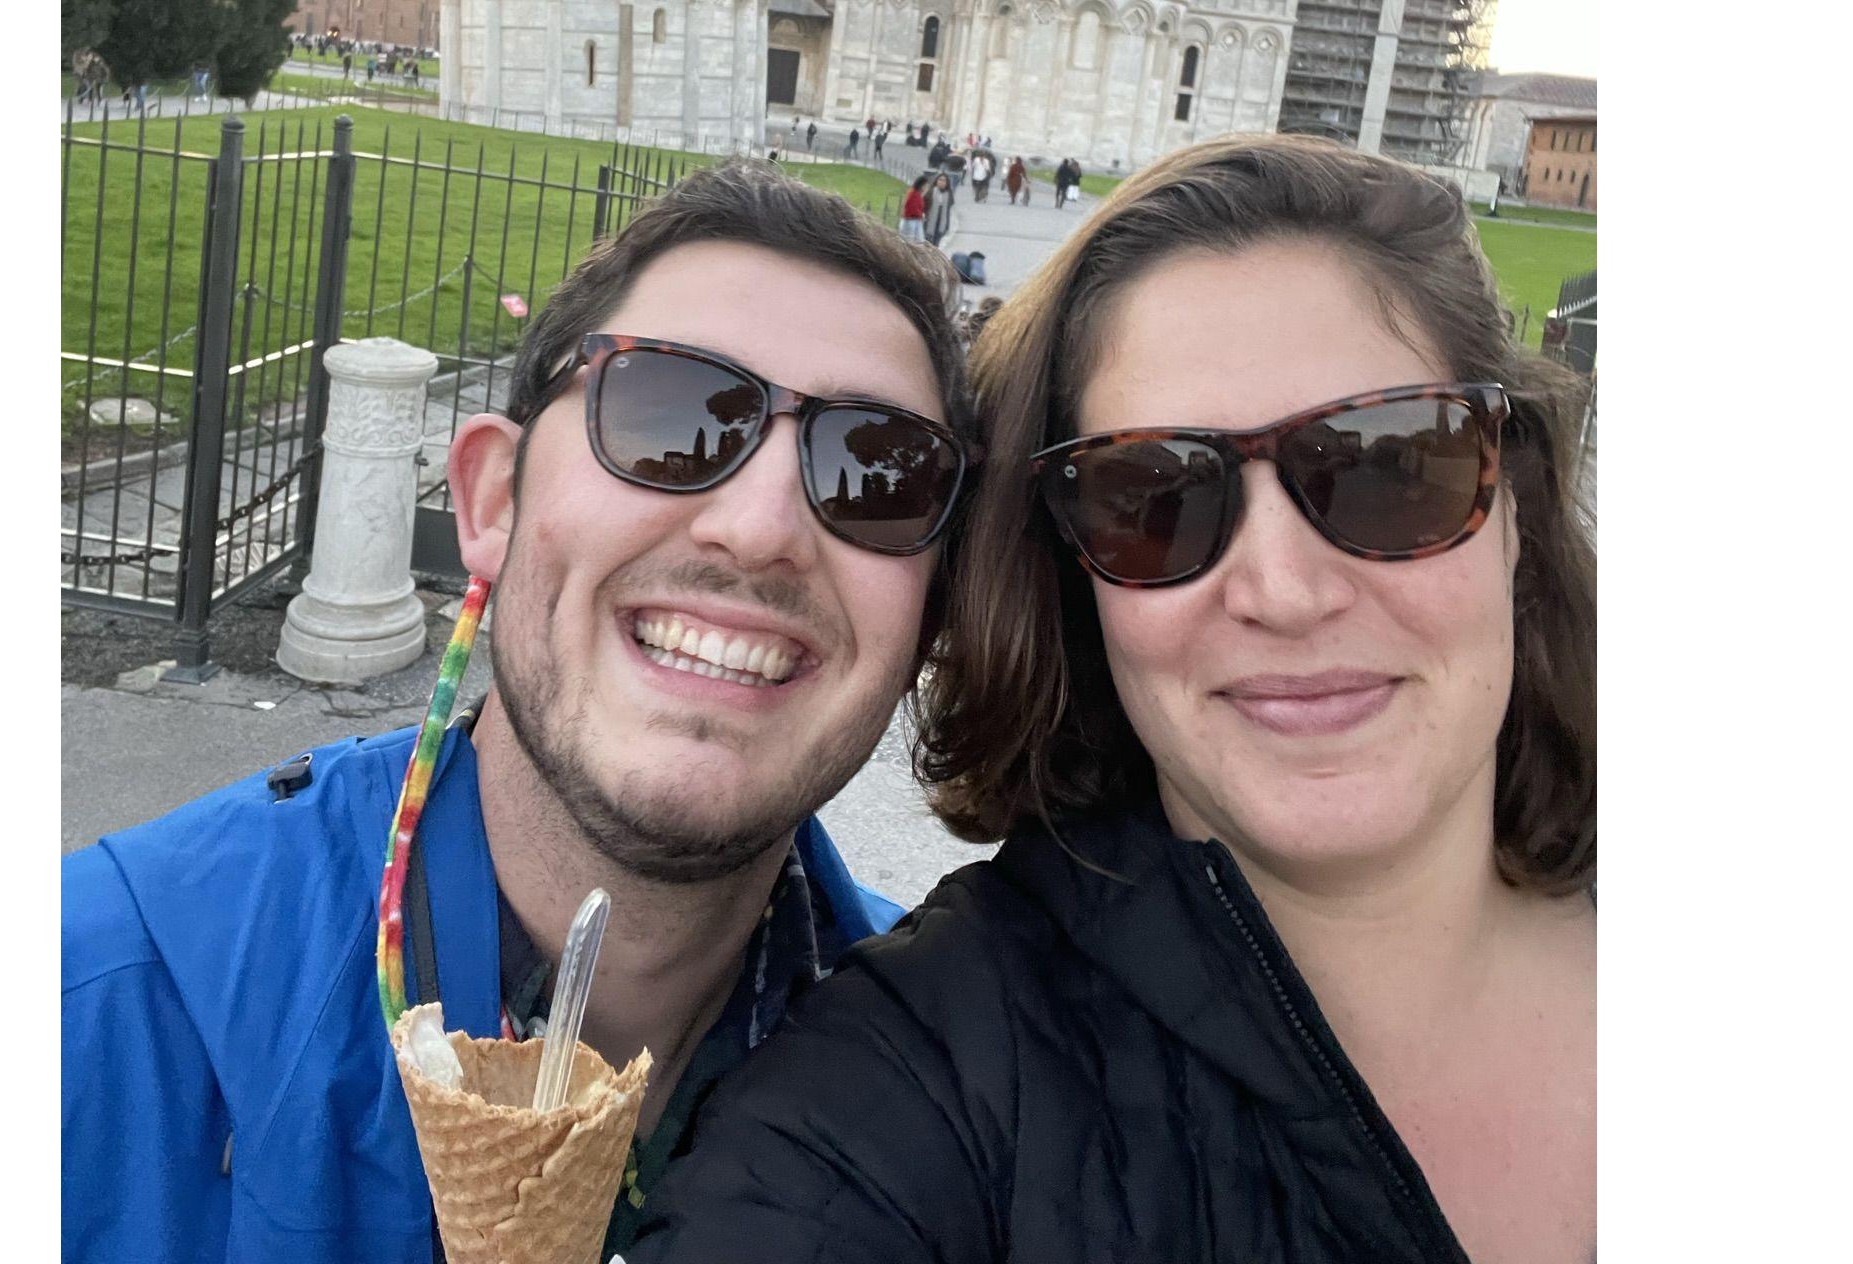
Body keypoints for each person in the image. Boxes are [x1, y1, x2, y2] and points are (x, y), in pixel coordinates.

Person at [631, 135, 1597, 1263]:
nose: (1282, 591)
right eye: (1153, 497)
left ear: (1514, 502)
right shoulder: (909, 1090)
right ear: (1069, 575)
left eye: (1385, 463)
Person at [62, 162, 977, 1264]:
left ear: (934, 609)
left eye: (879, 471)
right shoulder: (97, 1008)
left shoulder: (963, 1096)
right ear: (490, 501)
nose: (761, 525)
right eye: (670, 413)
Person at [921, 167, 953, 247]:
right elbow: (923, 203)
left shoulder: (949, 194)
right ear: (936, 181)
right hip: (929, 220)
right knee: (927, 242)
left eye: (944, 180)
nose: (942, 182)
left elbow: (949, 208)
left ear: (947, 183)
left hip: (941, 221)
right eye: (940, 180)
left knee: (936, 243)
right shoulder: (931, 191)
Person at [899, 173, 929, 244]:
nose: (926, 188)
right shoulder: (913, 194)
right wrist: (921, 215)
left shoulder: (917, 194)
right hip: (910, 222)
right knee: (909, 243)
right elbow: (913, 209)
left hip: (914, 221)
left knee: (917, 242)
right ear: (921, 185)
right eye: (926, 186)